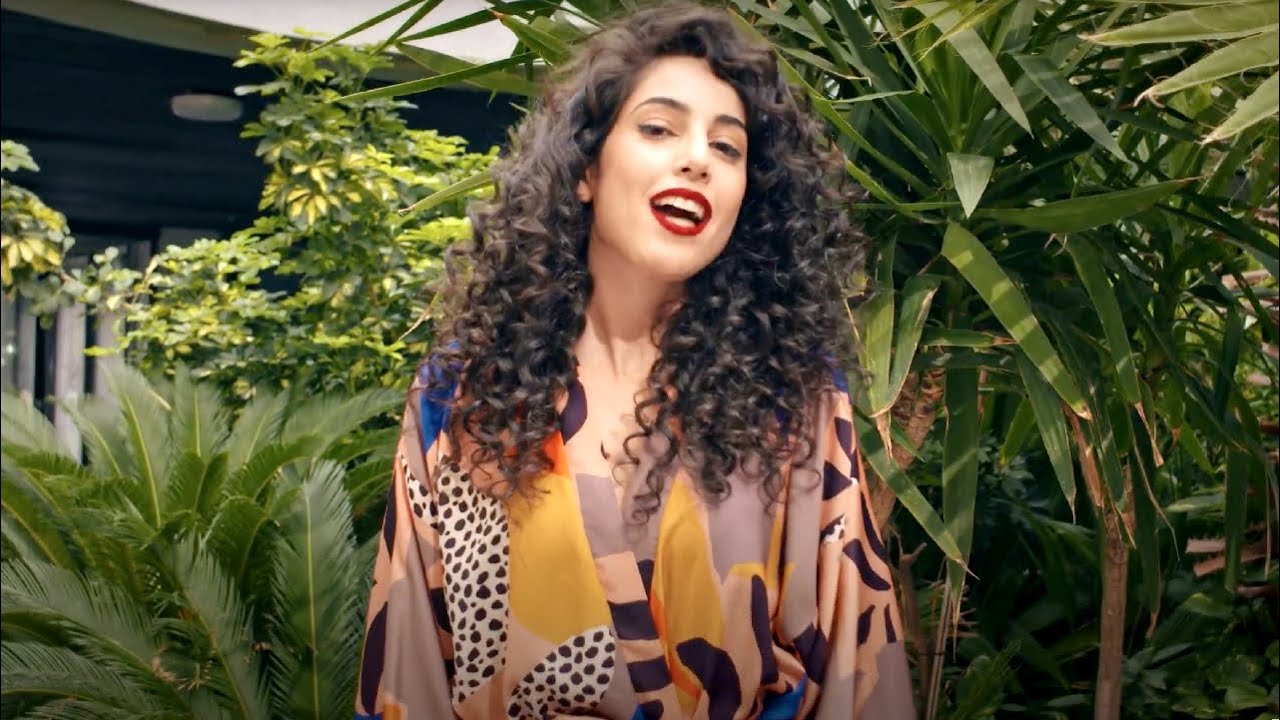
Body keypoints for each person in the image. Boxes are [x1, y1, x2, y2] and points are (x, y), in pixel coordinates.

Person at [355, 3, 915, 718]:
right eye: (658, 129)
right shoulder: (464, 395)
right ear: (585, 169)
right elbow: (407, 665)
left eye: (728, 147)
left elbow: (858, 664)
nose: (698, 159)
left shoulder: (792, 399)